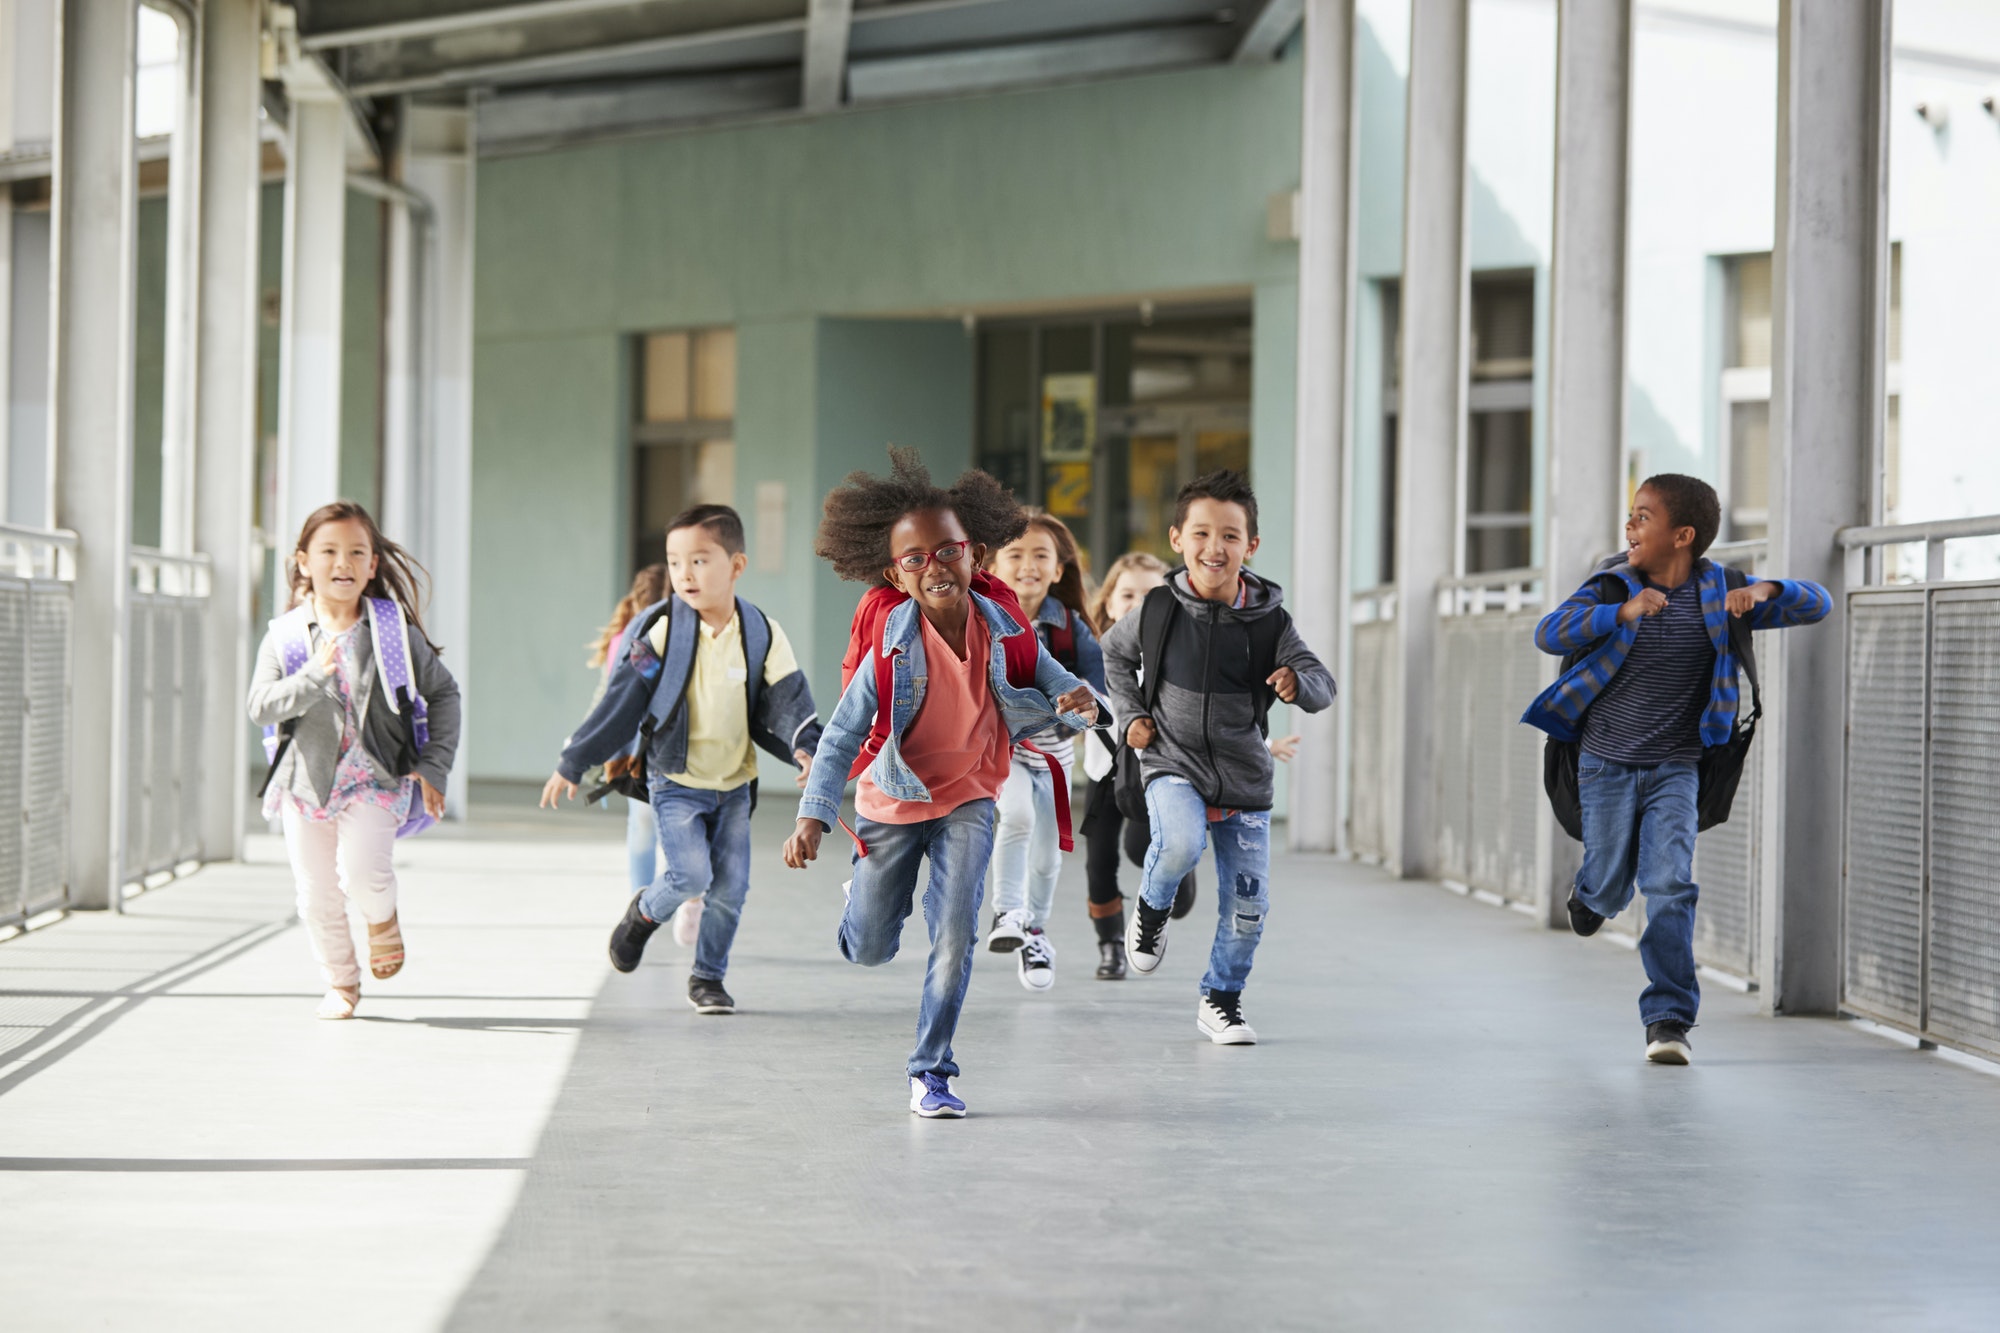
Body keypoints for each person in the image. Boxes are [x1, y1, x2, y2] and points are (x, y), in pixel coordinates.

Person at [784, 448, 1099, 1118]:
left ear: (976, 554)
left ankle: (932, 1072)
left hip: (969, 799)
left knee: (956, 933)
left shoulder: (1006, 629)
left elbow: (1055, 679)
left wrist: (1079, 698)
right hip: (894, 801)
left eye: (947, 550)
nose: (934, 567)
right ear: (895, 574)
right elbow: (840, 736)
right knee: (869, 947)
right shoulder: (891, 647)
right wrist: (812, 816)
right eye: (914, 558)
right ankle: (864, 902)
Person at [1522, 474, 1828, 1065]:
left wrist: (1767, 589)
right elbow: (1549, 632)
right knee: (1611, 884)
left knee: (1669, 884)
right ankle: (1592, 892)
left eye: (1643, 517)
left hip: (1676, 768)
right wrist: (1620, 612)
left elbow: (1819, 603)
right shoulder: (1612, 584)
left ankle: (1668, 1020)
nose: (1630, 526)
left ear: (1682, 536)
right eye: (1632, 515)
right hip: (1605, 763)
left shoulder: (1721, 595)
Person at [542, 504, 821, 1016]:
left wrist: (809, 749)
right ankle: (644, 915)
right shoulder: (661, 629)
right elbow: (620, 700)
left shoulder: (761, 632)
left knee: (731, 888)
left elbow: (789, 701)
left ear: (736, 566)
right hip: (674, 779)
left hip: (735, 783)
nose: (684, 574)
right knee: (691, 876)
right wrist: (574, 759)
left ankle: (708, 978)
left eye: (699, 560)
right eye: (675, 563)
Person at [1100, 470, 1335, 1045]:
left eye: (1230, 536)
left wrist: (1295, 683)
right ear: (1178, 539)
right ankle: (1152, 911)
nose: (1215, 547)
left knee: (1249, 909)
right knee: (1179, 842)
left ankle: (1221, 999)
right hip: (1170, 761)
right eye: (1201, 533)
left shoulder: (1270, 620)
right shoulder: (1158, 609)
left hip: (1244, 777)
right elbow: (1112, 654)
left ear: (1250, 546)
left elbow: (1323, 684)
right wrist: (1131, 718)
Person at [248, 502, 460, 1021]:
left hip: (375, 777)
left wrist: (434, 766)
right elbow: (259, 707)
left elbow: (444, 694)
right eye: (328, 552)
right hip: (305, 781)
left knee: (364, 874)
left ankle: (381, 916)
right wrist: (311, 679)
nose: (342, 562)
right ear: (303, 562)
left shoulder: (393, 633)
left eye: (356, 552)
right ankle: (341, 982)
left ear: (371, 566)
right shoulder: (287, 636)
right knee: (316, 895)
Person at [1079, 553, 1306, 980]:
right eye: (1127, 595)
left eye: (1149, 595)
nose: (1138, 605)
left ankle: (1172, 883)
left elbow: (1210, 715)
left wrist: (1266, 744)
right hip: (1106, 776)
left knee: (1150, 849)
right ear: (1108, 602)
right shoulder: (1101, 656)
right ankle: (1110, 945)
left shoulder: (1173, 649)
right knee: (1101, 862)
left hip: (1160, 772)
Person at [980, 511, 1106, 992]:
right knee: (1016, 816)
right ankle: (1007, 913)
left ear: (1059, 569)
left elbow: (1100, 692)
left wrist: (1088, 709)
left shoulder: (1071, 628)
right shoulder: (982, 619)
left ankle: (1034, 931)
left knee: (1049, 858)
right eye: (1016, 554)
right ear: (992, 564)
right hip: (1004, 751)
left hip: (1055, 758)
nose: (1028, 564)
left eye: (1041, 555)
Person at [587, 564, 705, 944]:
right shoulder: (630, 641)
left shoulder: (691, 635)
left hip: (686, 747)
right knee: (644, 824)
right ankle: (643, 905)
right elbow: (609, 694)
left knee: (680, 823)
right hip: (642, 751)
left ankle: (691, 897)